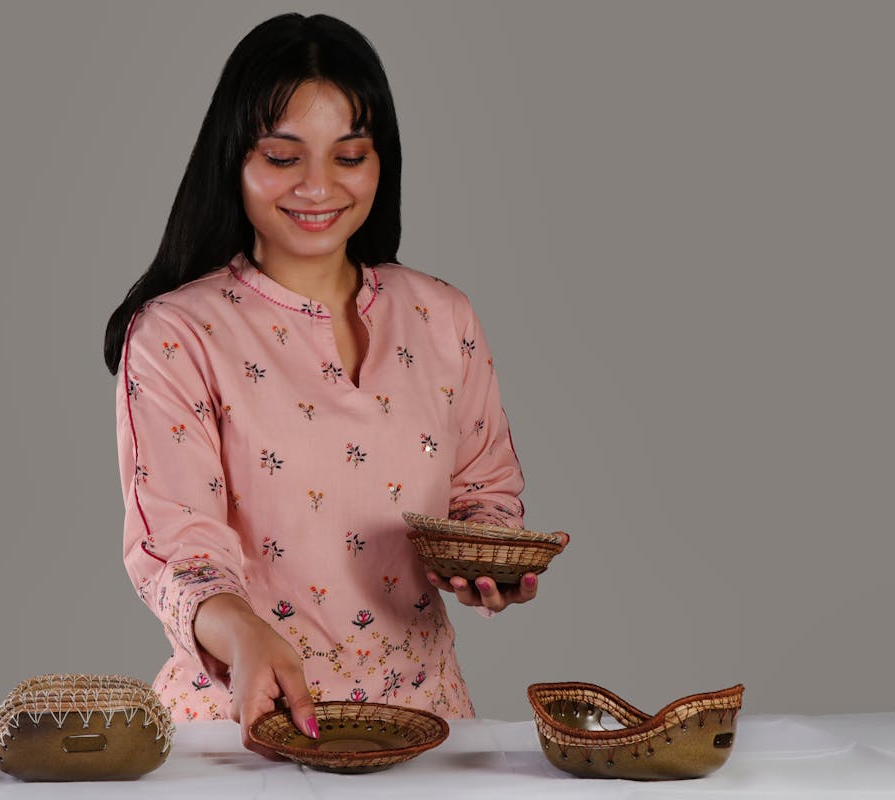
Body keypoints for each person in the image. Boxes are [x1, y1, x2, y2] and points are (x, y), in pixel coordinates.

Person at [103, 12, 564, 757]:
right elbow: (178, 553)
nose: (318, 187)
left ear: (382, 162)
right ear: (235, 161)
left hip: (427, 730)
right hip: (241, 728)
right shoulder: (175, 334)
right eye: (282, 157)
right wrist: (245, 634)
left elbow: (485, 492)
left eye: (349, 155)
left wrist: (488, 561)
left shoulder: (444, 318)